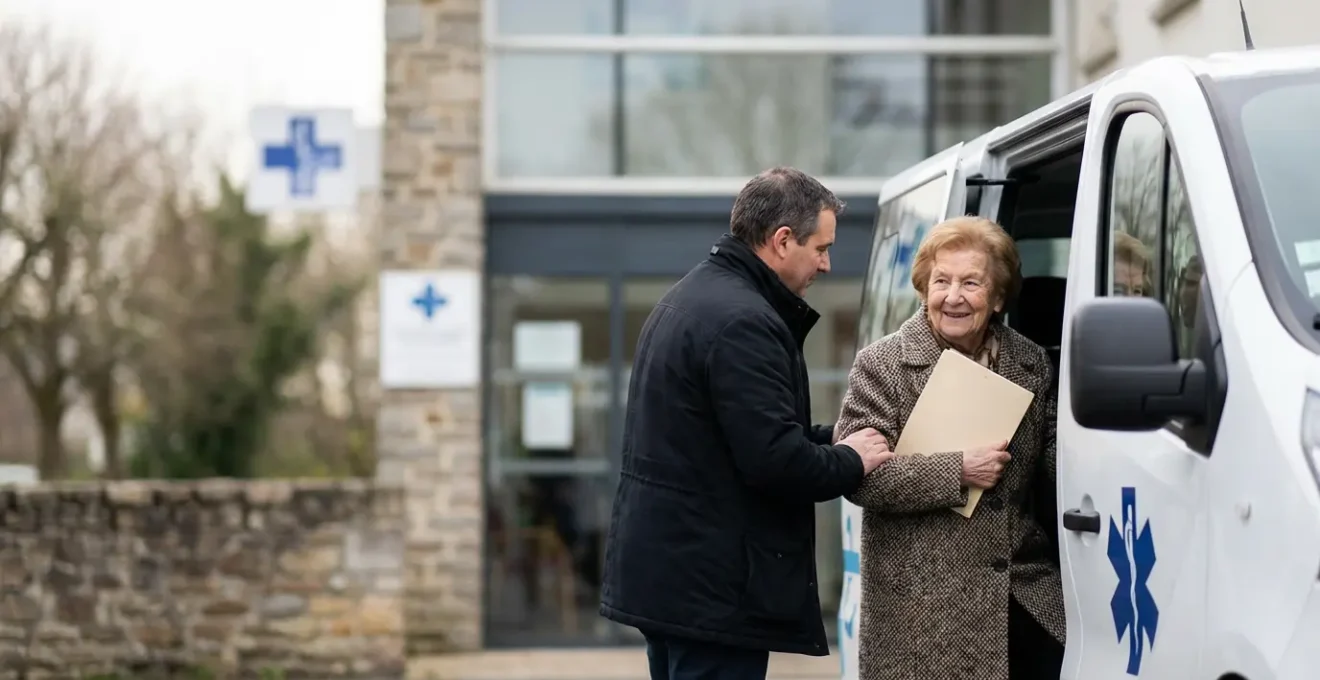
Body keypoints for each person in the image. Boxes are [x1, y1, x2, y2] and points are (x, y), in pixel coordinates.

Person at [600, 167, 894, 680]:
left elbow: (732, 437)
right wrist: (851, 460)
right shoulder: (744, 322)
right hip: (713, 593)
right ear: (782, 241)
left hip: (675, 581)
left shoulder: (691, 298)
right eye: (821, 248)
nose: (826, 264)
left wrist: (832, 437)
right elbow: (775, 462)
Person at [834, 216, 1066, 680]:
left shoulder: (1031, 362)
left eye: (971, 283)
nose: (953, 296)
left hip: (1022, 598)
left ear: (998, 297)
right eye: (941, 281)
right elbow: (860, 480)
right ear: (924, 288)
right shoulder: (883, 364)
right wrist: (958, 470)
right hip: (923, 615)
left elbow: (1057, 461)